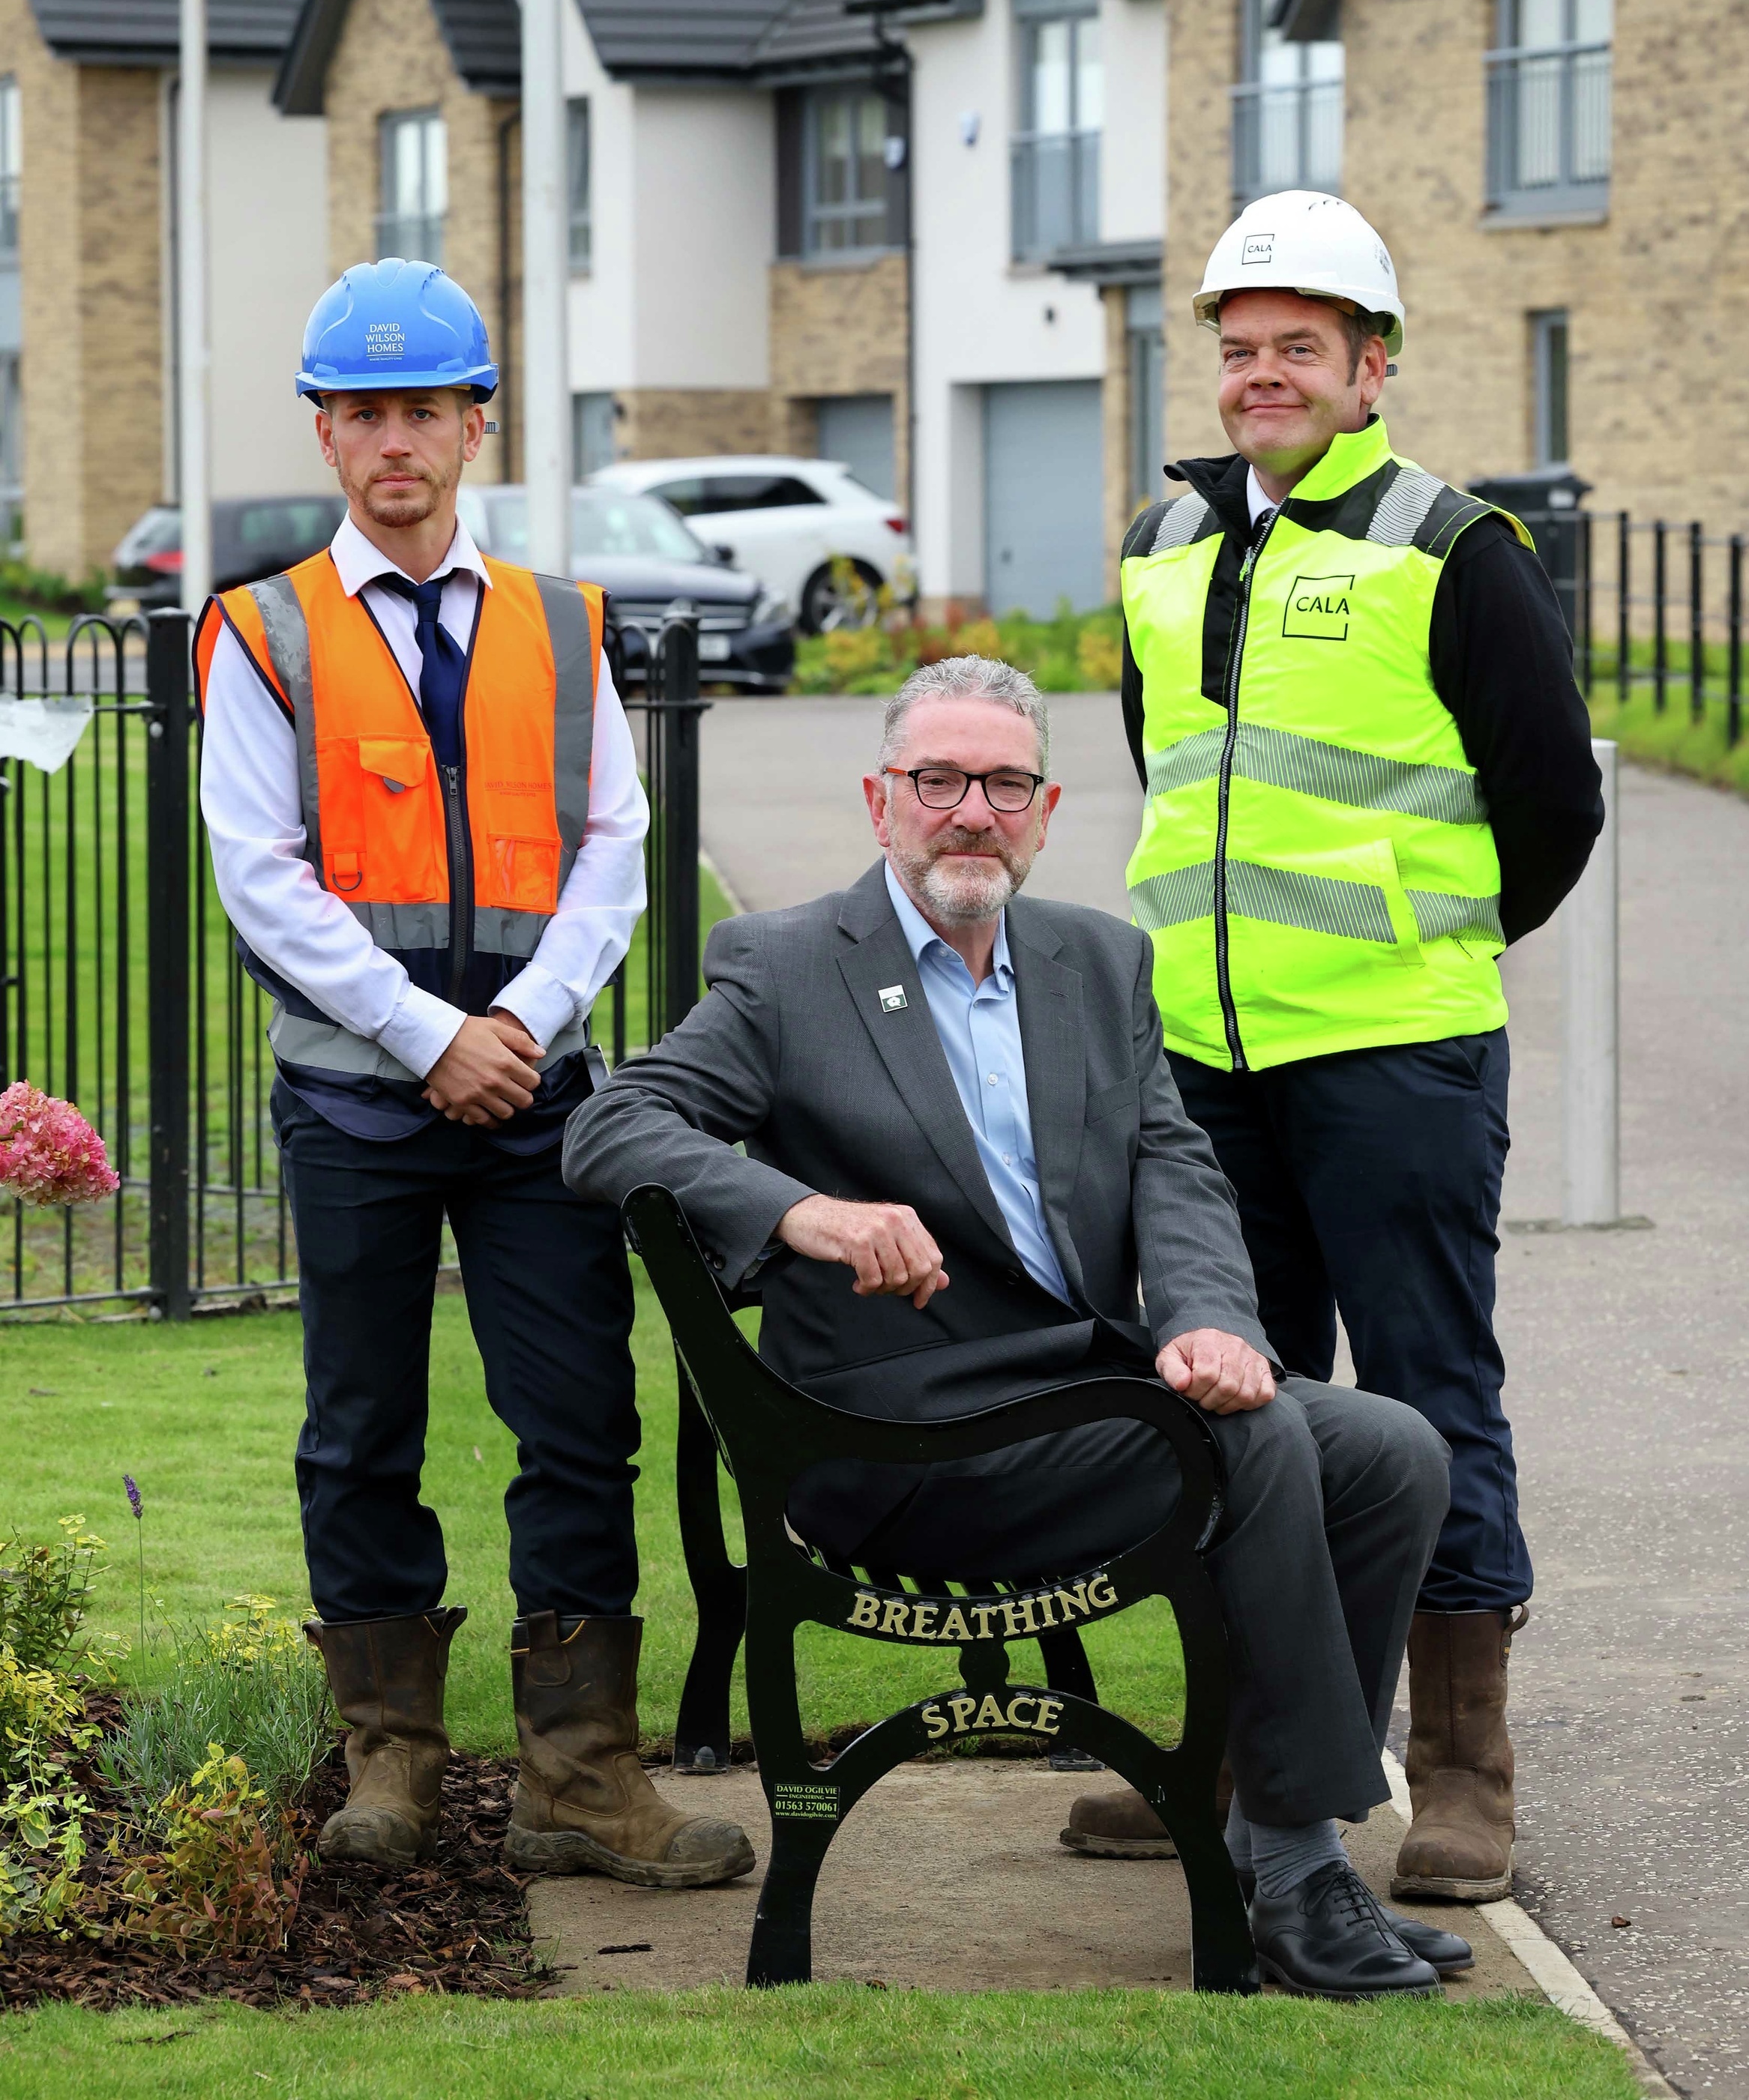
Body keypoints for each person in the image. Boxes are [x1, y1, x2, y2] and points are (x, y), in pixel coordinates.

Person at [565, 653, 1473, 1999]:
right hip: (894, 1444)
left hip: (1088, 1404)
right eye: (937, 780)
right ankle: (1294, 1864)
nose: (968, 812)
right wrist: (805, 1211)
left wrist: (1214, 1320)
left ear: (1045, 812)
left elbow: (1174, 1167)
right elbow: (610, 1125)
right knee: (1254, 1442)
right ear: (882, 800)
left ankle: (1267, 1827)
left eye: (1002, 784)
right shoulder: (785, 967)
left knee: (1390, 1446)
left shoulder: (1096, 961)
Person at [195, 256, 752, 1893]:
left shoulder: (564, 626)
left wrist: (521, 1026)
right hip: (359, 1098)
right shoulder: (266, 633)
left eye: (422, 411)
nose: (394, 443)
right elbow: (260, 871)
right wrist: (433, 1037)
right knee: (360, 1424)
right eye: (361, 412)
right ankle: (395, 1761)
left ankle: (583, 1778)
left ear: (474, 423)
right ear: (324, 431)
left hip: (539, 1104)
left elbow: (616, 850)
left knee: (578, 1421)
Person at [1116, 190, 1604, 1904]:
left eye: (1298, 349)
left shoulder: (1450, 547)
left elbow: (1552, 801)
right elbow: (1168, 788)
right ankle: (1247, 1743)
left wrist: (1433, 946)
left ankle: (1463, 1768)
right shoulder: (1161, 553)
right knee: (1228, 1403)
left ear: (1369, 364)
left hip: (1398, 1060)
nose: (1263, 376)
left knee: (1425, 1391)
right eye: (1240, 350)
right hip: (1201, 1068)